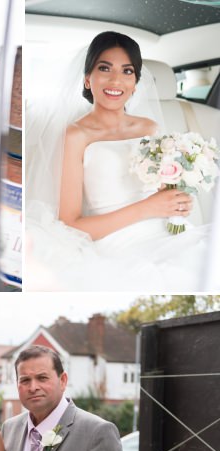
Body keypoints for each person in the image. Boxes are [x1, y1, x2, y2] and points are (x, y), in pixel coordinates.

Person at [24, 31, 213, 291]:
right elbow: (71, 225)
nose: (116, 80)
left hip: (174, 233)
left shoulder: (150, 127)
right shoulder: (76, 135)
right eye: (105, 68)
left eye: (127, 71)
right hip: (122, 244)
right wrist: (149, 208)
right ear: (88, 79)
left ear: (136, 83)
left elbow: (162, 192)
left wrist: (177, 202)